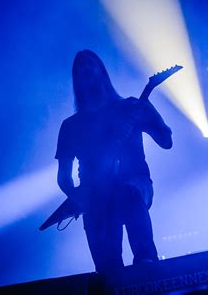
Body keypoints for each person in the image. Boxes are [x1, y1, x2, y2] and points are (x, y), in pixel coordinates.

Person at [55, 49, 172, 275]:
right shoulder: (70, 125)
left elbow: (166, 142)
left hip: (135, 184)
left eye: (90, 63)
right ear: (75, 79)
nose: (86, 69)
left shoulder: (129, 107)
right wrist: (80, 197)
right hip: (95, 196)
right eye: (80, 68)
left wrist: (153, 117)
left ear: (102, 70)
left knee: (127, 194)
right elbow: (63, 177)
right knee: (108, 271)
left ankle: (146, 263)